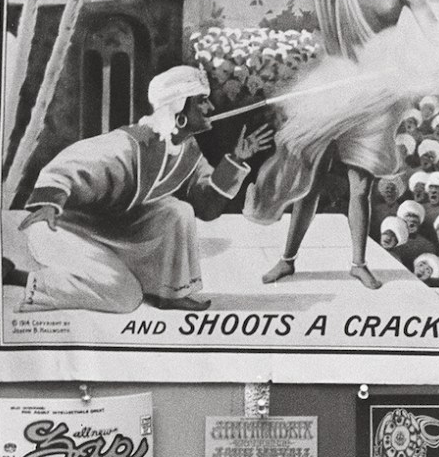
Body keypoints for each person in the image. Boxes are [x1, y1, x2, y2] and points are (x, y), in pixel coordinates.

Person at [225, 0, 439, 290]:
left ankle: (357, 262)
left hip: (375, 96)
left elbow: (435, 38)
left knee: (360, 184)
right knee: (309, 179)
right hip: (336, 89)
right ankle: (287, 260)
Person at [19, 64, 271, 312]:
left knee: (177, 211)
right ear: (179, 109)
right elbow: (73, 163)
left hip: (107, 231)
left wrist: (237, 160)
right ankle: (21, 279)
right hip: (59, 228)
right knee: (125, 296)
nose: (211, 108)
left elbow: (205, 207)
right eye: (202, 101)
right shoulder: (130, 145)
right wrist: (50, 202)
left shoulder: (187, 151)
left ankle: (170, 293)